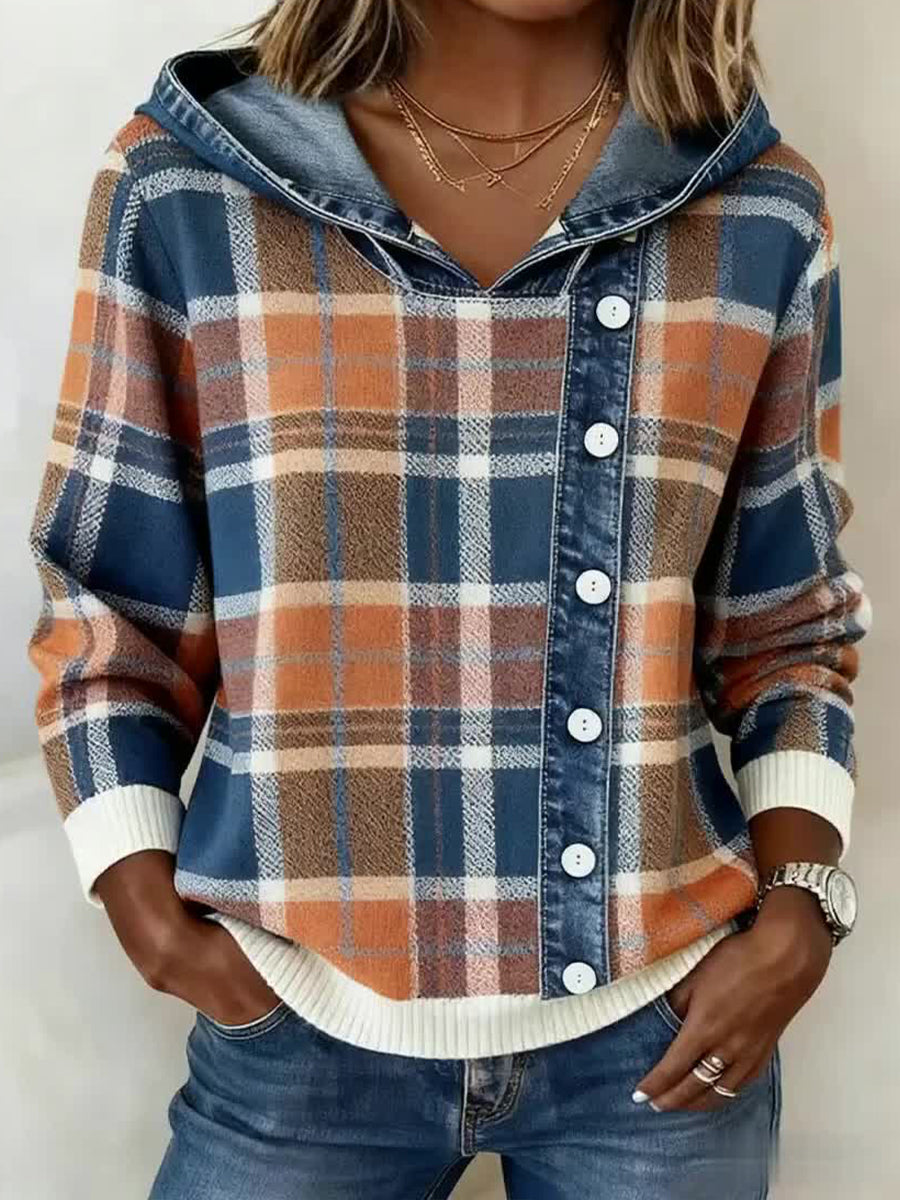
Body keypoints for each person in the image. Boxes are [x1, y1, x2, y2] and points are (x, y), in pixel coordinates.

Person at [26, 1, 871, 1196]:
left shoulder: (762, 213)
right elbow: (111, 603)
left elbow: (788, 624)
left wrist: (800, 906)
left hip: (664, 1032)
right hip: (296, 1023)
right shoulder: (186, 190)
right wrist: (141, 903)